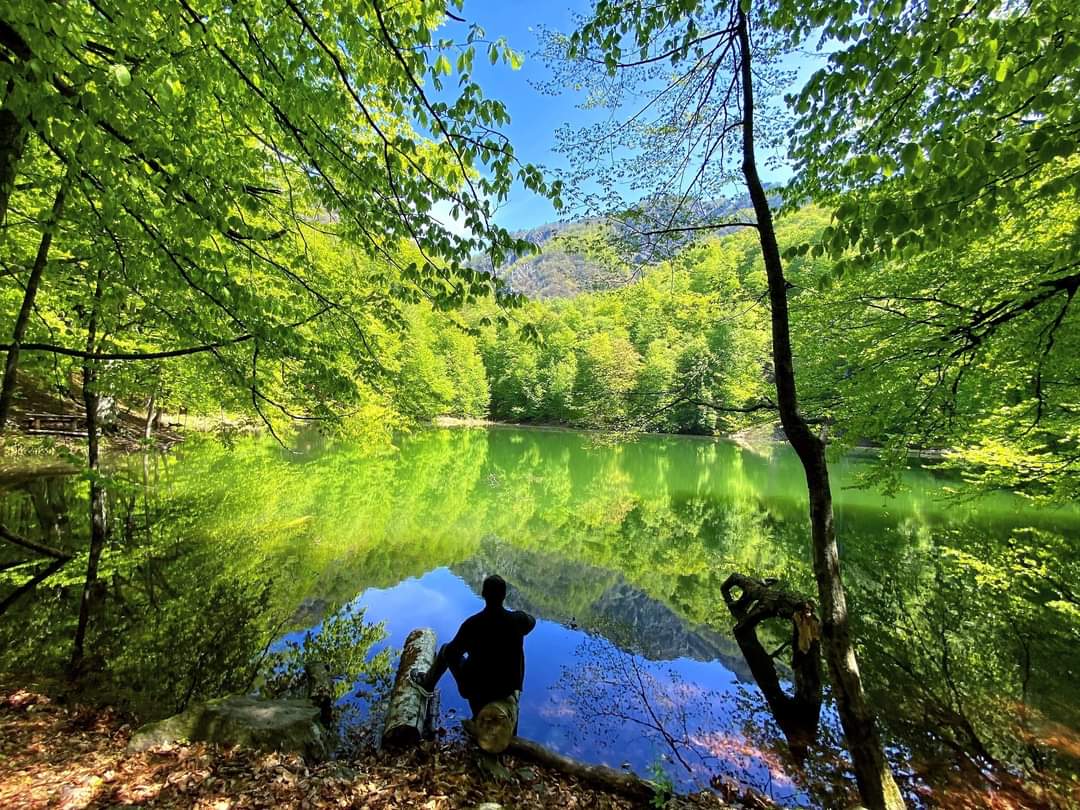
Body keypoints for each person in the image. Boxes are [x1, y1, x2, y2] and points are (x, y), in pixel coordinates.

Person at [411, 574, 535, 717]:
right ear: (504, 595)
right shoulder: (518, 620)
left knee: (446, 649)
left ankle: (426, 685)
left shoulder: (472, 624)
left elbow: (452, 653)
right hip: (507, 688)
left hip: (476, 690)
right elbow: (532, 622)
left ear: (483, 594)